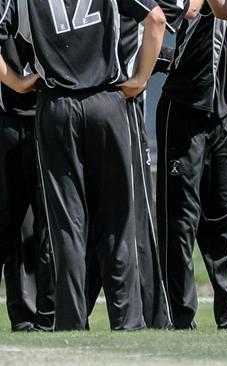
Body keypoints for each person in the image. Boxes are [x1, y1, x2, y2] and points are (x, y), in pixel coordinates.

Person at [0, 0, 166, 331]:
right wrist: (141, 78)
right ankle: (127, 321)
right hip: (106, 100)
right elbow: (157, 19)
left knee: (67, 224)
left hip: (56, 106)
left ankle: (71, 322)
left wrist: (15, 81)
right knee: (118, 219)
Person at [84, 1, 185, 330]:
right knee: (132, 215)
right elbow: (176, 12)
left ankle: (62, 313)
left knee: (75, 221)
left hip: (70, 100)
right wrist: (143, 75)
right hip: (119, 103)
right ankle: (148, 316)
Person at [156, 0, 227, 329]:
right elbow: (189, 10)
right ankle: (177, 316)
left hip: (225, 114)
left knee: (225, 218)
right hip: (183, 111)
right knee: (179, 220)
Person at [0, 34, 53, 332]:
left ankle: (40, 314)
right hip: (16, 115)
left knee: (44, 225)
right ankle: (39, 315)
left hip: (48, 114)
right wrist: (17, 82)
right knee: (19, 224)